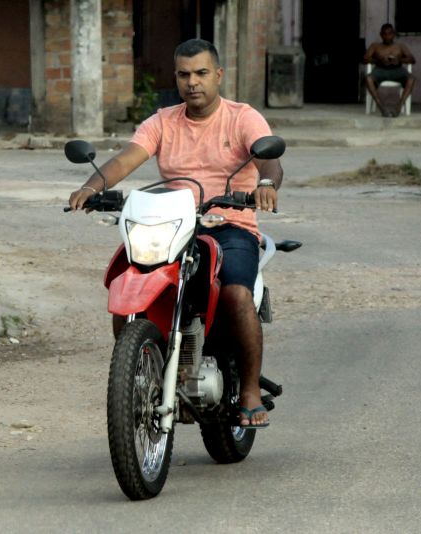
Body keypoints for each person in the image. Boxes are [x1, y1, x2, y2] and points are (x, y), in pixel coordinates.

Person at [68, 38, 283, 428]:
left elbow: (269, 159)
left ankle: (250, 391)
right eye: (184, 74)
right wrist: (92, 186)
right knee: (128, 280)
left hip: (230, 225)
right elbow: (127, 158)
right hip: (175, 225)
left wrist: (266, 184)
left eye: (201, 73)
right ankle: (146, 370)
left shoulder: (242, 117)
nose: (192, 82)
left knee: (236, 293)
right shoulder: (163, 121)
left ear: (218, 75)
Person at [363, 23, 416, 117]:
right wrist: (379, 60)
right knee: (368, 78)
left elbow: (412, 59)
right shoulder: (375, 46)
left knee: (411, 78)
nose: (387, 36)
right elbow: (365, 59)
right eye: (385, 34)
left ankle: (398, 107)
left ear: (394, 34)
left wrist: (399, 60)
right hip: (380, 70)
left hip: (397, 70)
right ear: (381, 35)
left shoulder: (400, 46)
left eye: (390, 33)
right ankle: (382, 108)